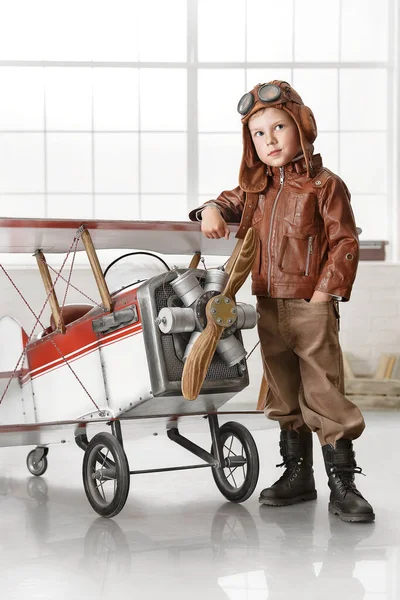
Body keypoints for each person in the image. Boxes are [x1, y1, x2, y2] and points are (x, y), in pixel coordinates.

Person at [189, 80, 374, 523]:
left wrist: (323, 294)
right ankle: (298, 474)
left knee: (324, 390)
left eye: (279, 127)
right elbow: (227, 202)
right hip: (267, 303)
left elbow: (344, 242)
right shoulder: (256, 190)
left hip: (310, 303)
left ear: (302, 128)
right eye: (258, 133)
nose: (269, 139)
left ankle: (343, 482)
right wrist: (210, 208)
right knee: (282, 389)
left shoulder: (325, 185)